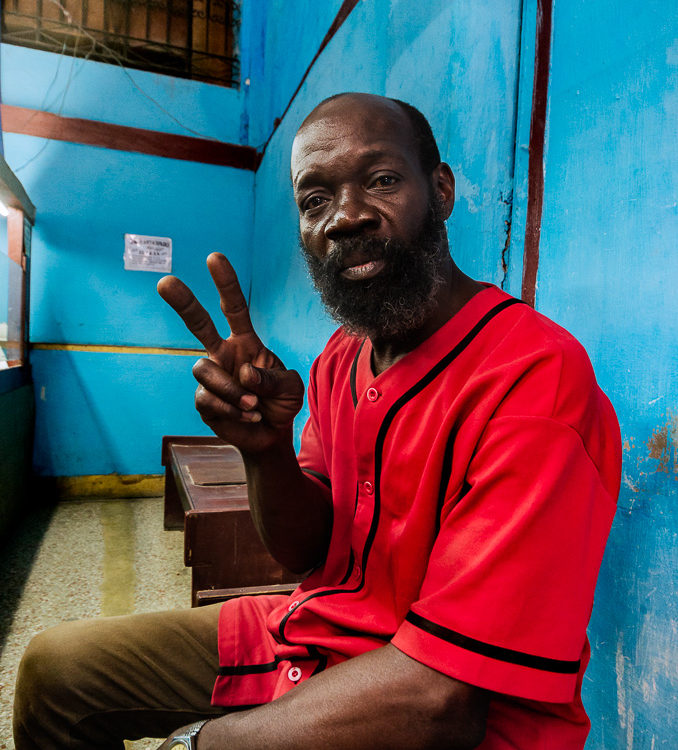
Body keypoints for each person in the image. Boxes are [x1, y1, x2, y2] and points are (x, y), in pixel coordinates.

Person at [13, 93, 621, 749]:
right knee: (56, 675)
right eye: (315, 200)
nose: (347, 217)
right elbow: (302, 554)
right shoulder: (341, 358)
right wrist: (265, 451)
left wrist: (199, 744)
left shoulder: (534, 378)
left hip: (445, 713)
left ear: (440, 190)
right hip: (315, 634)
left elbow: (443, 701)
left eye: (382, 180)